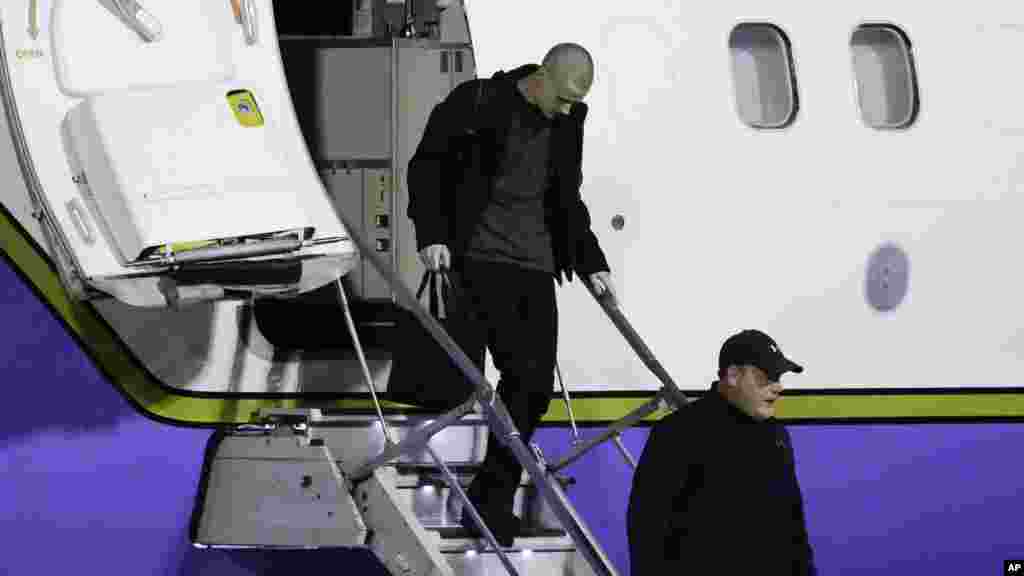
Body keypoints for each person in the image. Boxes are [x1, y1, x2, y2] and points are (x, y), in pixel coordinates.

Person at [405, 42, 617, 547]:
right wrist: (431, 234)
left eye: (575, 101)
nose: (569, 109)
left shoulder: (567, 121)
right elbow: (427, 166)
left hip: (535, 266)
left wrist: (592, 261)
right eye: (563, 97)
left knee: (535, 386)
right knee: (507, 377)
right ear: (541, 77)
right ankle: (491, 500)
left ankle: (487, 493)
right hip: (478, 257)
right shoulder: (477, 102)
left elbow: (567, 197)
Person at [627, 329, 817, 575]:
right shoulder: (678, 433)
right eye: (766, 377)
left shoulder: (775, 435)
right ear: (733, 376)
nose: (777, 387)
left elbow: (792, 526)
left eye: (779, 377)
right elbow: (647, 531)